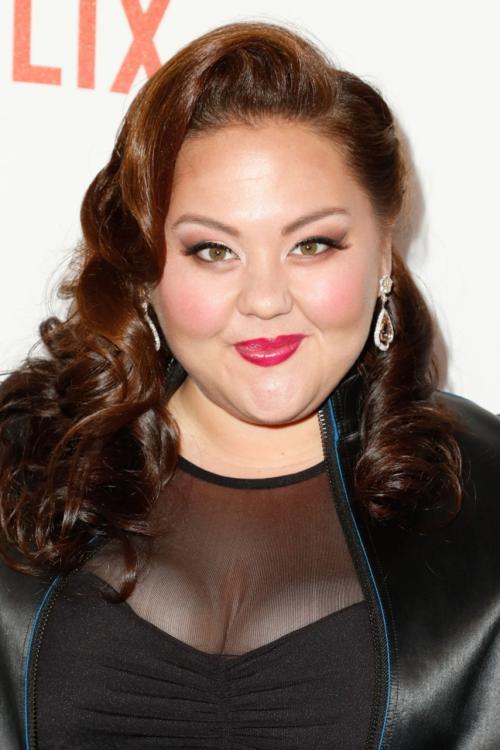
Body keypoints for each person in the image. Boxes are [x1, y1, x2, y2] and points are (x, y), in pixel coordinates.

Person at [1, 19, 499, 750]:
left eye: (312, 244)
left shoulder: (486, 494)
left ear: (383, 251)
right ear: (146, 269)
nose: (265, 300)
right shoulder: (19, 466)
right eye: (213, 251)